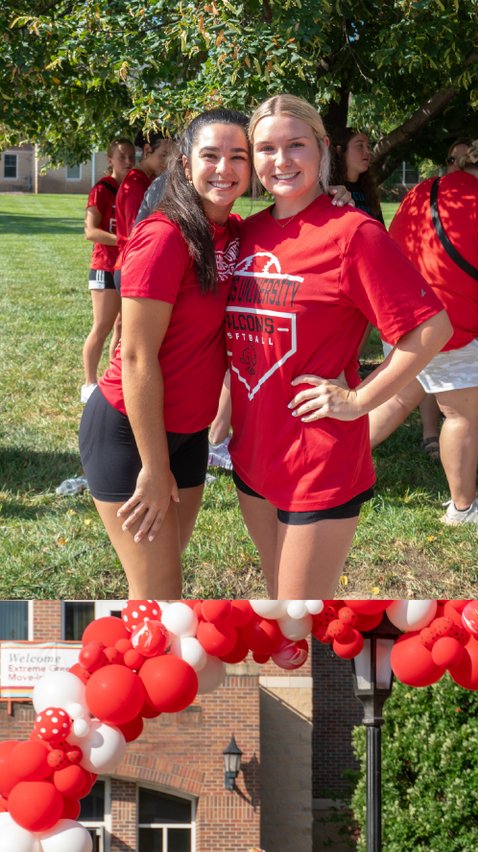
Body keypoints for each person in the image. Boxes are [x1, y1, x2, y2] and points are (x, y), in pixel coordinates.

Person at [224, 93, 451, 597]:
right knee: (277, 600)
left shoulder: (353, 234)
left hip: (317, 457)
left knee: (298, 612)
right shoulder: (244, 234)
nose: (280, 161)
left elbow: (431, 329)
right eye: (265, 149)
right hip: (252, 453)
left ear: (323, 149)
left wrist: (359, 400)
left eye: (296, 145)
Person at [79, 107, 251, 600]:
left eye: (238, 156)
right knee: (162, 596)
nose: (225, 168)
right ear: (185, 162)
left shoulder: (234, 233)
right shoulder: (163, 237)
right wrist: (154, 469)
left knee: (160, 580)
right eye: (211, 155)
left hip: (189, 434)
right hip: (130, 434)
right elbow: (134, 356)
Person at [387, 135, 478, 525]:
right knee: (459, 414)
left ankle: (325, 467)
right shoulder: (475, 202)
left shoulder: (422, 191)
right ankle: (462, 508)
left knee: (393, 400)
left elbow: (393, 241)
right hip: (453, 322)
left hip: (411, 311)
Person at [81, 138, 134, 405]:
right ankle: (89, 384)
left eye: (131, 156)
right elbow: (90, 231)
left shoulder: (132, 188)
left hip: (126, 267)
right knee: (102, 326)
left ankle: (115, 379)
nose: (127, 161)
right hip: (104, 266)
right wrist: (124, 240)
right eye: (121, 156)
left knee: (123, 328)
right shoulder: (101, 190)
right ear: (110, 160)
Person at [113, 132, 175, 281]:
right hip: (133, 265)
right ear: (147, 150)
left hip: (137, 262)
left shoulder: (149, 180)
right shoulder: (135, 184)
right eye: (163, 155)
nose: (167, 162)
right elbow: (136, 232)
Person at [328, 126, 383, 221]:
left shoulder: (369, 191)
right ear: (340, 151)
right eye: (360, 146)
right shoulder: (328, 189)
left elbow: (380, 229)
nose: (367, 152)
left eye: (368, 146)